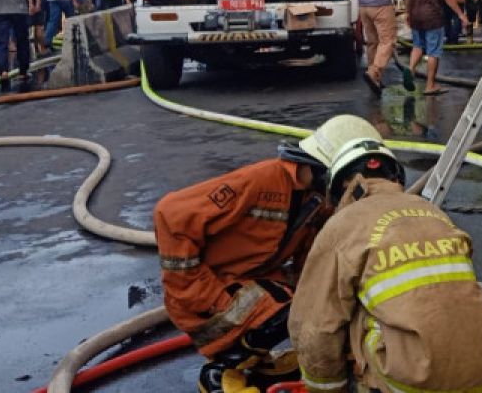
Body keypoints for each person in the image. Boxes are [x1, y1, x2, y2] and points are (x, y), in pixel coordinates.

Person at [153, 116, 370, 393]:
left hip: (245, 280)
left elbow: (312, 259)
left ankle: (255, 360)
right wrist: (206, 296)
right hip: (205, 299)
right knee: (293, 308)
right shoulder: (260, 181)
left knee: (318, 299)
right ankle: (224, 369)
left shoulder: (314, 198)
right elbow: (171, 214)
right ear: (326, 168)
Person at [289, 121, 482, 393]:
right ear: (396, 177)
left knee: (342, 306)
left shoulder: (341, 226)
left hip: (414, 382)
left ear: (339, 184)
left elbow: (315, 325)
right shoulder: (432, 213)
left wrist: (325, 386)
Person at [403, 0, 467, 96]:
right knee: (433, 51)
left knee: (418, 45)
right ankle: (430, 85)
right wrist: (460, 14)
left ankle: (410, 69)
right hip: (433, 16)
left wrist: (407, 13)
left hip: (415, 14)